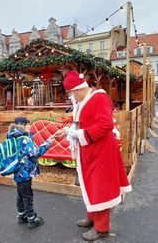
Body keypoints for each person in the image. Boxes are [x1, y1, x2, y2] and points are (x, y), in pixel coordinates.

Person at [55, 70, 132, 241]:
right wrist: (68, 131)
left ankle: (102, 228)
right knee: (91, 185)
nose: (71, 97)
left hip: (102, 152)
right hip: (91, 151)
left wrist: (78, 134)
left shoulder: (98, 98)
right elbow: (83, 124)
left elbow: (105, 124)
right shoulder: (85, 100)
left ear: (77, 90)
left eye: (71, 94)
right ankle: (92, 216)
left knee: (100, 188)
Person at [7, 116, 53, 229]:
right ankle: (32, 219)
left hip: (18, 171)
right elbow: (35, 153)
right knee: (27, 196)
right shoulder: (24, 139)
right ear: (21, 125)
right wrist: (47, 144)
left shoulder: (13, 136)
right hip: (25, 172)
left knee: (20, 194)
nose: (30, 126)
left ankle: (21, 215)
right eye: (27, 124)